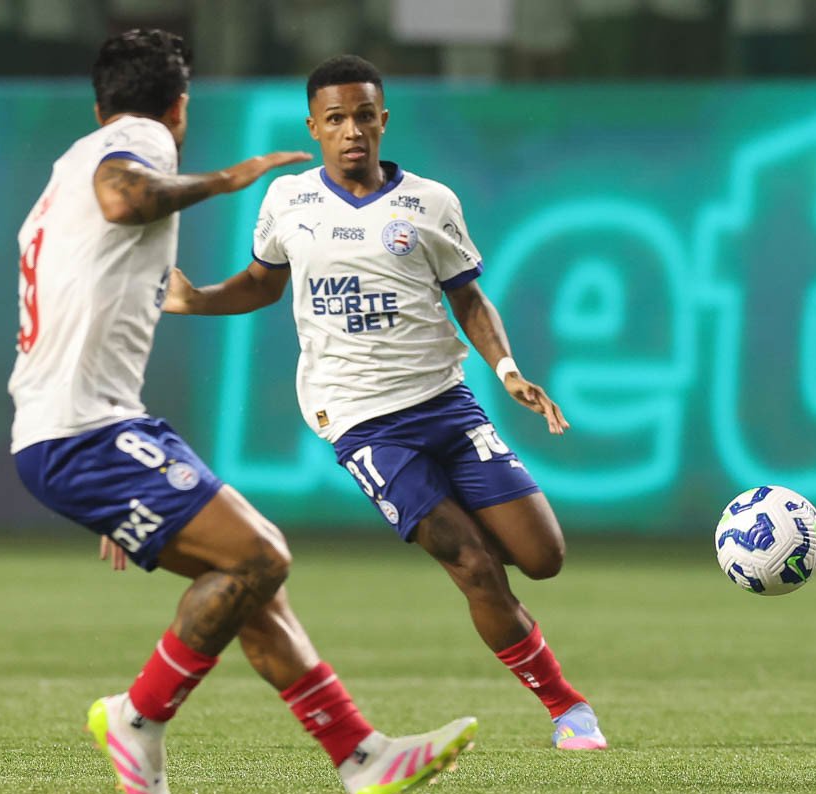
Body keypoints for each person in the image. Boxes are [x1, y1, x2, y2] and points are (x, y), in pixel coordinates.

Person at [9, 30, 477, 794]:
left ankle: (361, 758)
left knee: (246, 583)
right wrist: (229, 178)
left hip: (89, 427)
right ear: (179, 107)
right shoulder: (139, 138)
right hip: (82, 432)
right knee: (260, 555)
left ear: (95, 103)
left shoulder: (60, 179)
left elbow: (86, 308)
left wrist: (119, 479)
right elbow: (128, 195)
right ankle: (138, 715)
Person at [164, 55, 607, 751]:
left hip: (447, 403)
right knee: (473, 568)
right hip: (363, 422)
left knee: (544, 556)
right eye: (335, 119)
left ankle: (485, 557)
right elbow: (260, 283)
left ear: (383, 120)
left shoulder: (430, 203)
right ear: (314, 127)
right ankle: (567, 709)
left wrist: (509, 369)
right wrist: (198, 299)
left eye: (363, 116)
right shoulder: (288, 201)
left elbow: (468, 296)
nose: (351, 132)